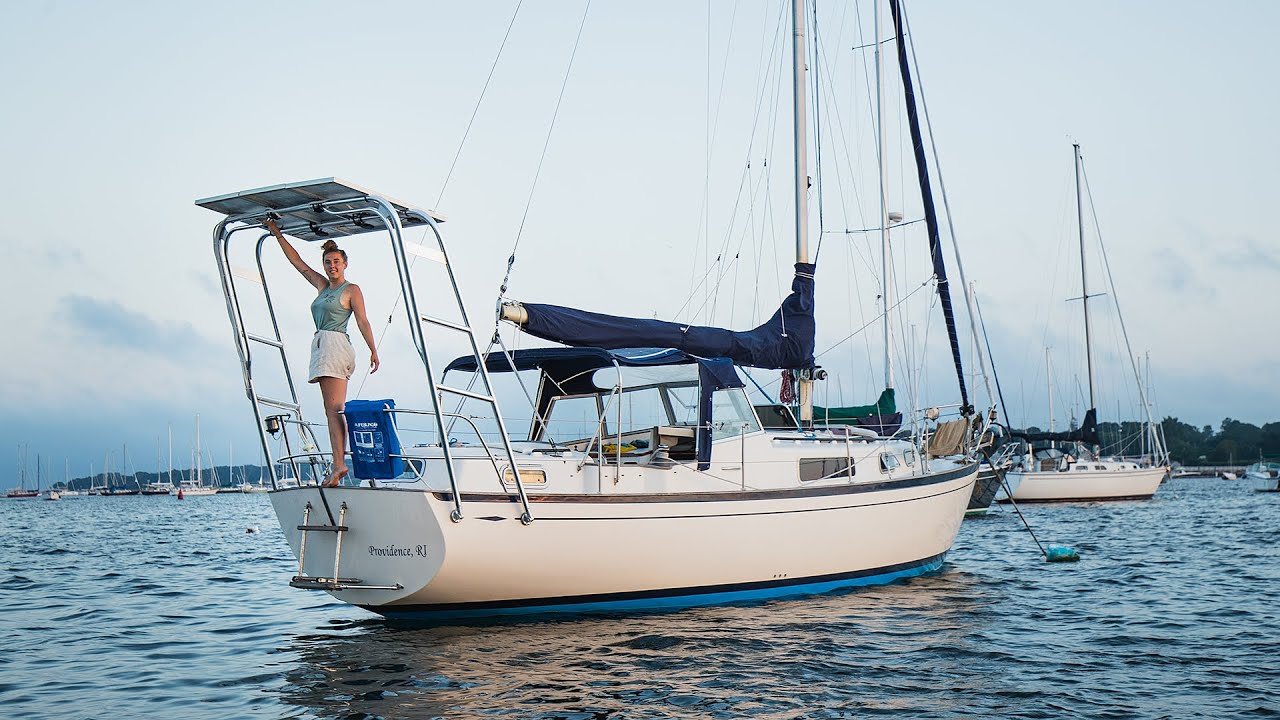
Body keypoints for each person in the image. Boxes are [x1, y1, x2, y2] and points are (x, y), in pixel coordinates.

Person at [265, 219, 380, 487]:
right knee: (331, 410)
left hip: (335, 345)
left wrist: (373, 350)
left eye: (336, 261)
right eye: (328, 262)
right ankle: (338, 463)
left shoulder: (351, 289)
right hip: (322, 345)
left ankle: (339, 464)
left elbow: (363, 320)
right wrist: (277, 234)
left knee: (334, 409)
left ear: (345, 264)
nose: (332, 266)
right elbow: (298, 264)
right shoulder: (322, 286)